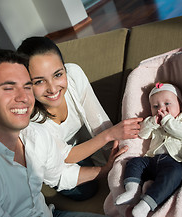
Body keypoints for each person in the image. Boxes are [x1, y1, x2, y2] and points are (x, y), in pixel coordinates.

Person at [0, 49, 161, 217]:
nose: (23, 97)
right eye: (8, 88)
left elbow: (61, 174)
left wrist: (105, 170)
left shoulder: (33, 133)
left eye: (26, 86)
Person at [17, 36, 142, 200]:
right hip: (54, 160)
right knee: (85, 191)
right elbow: (65, 156)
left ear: (64, 68)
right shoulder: (28, 120)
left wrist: (118, 157)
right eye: (39, 81)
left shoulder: (74, 74)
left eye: (58, 74)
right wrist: (109, 138)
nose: (53, 88)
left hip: (82, 143)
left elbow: (98, 121)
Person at [115, 82, 182, 217]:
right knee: (135, 163)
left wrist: (167, 121)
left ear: (181, 105)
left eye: (167, 104)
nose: (161, 109)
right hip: (153, 159)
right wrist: (152, 122)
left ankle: (146, 204)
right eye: (155, 106)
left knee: (173, 176)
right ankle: (132, 190)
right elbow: (142, 133)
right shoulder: (154, 121)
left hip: (178, 162)